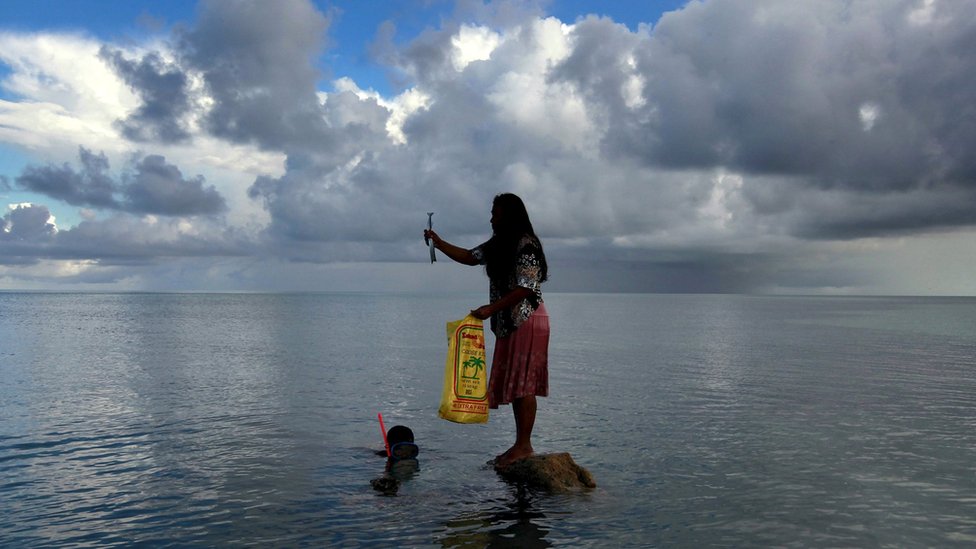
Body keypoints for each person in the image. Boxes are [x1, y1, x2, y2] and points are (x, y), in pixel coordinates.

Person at [424, 193, 549, 468]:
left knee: (524, 383)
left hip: (527, 318)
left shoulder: (526, 245)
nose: (491, 219)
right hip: (511, 320)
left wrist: (491, 309)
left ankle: (524, 446)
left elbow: (526, 288)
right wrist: (439, 243)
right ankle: (520, 444)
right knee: (518, 382)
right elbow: (471, 257)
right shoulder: (500, 243)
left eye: (496, 214)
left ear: (509, 216)